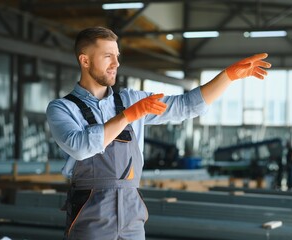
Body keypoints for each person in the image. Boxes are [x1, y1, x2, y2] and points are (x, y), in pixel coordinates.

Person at [46, 26, 271, 240]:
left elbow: (185, 105)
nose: (116, 63)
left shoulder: (130, 100)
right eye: (107, 56)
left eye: (117, 55)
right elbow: (80, 147)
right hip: (91, 212)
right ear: (84, 60)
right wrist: (128, 116)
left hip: (131, 210)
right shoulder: (63, 108)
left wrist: (228, 76)